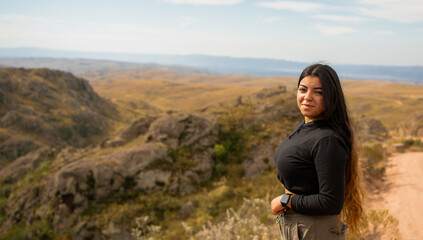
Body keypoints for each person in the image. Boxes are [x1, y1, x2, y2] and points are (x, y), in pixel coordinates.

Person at [270, 63, 364, 239]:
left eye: (318, 92)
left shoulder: (327, 140)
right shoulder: (306, 127)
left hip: (314, 230)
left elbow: (331, 202)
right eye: (303, 90)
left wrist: (286, 201)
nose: (307, 97)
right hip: (301, 228)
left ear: (332, 97)